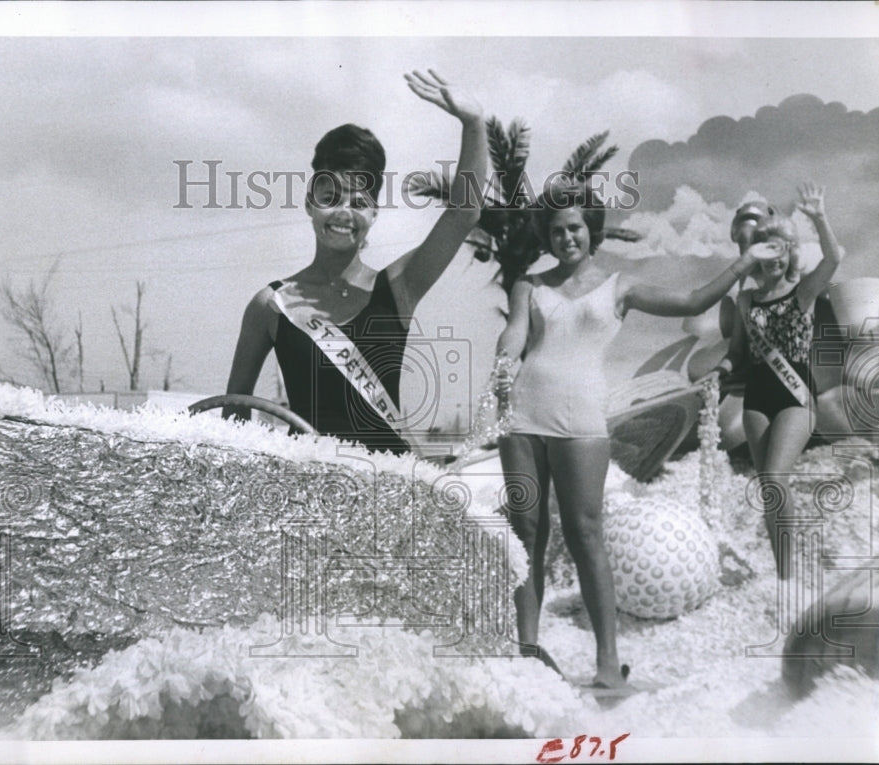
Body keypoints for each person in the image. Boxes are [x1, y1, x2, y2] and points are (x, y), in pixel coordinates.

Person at [494, 180, 760, 689]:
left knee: (585, 533)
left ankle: (606, 661)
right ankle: (525, 652)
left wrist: (743, 264)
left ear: (590, 232)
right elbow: (515, 334)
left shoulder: (618, 286)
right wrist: (504, 359)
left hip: (581, 422)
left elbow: (692, 299)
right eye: (555, 230)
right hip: (522, 416)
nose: (566, 237)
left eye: (574, 228)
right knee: (526, 535)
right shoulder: (528, 286)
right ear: (545, 237)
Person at [214, 70, 486, 454]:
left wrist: (473, 125)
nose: (344, 212)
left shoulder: (398, 288)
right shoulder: (270, 306)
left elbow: (464, 215)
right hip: (307, 493)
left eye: (359, 203)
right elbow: (236, 410)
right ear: (310, 203)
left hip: (387, 495)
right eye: (331, 197)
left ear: (375, 214)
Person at [711, 183, 842, 579]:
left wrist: (819, 217)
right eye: (765, 246)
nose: (773, 254)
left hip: (795, 399)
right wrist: (721, 370)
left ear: (789, 253)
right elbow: (736, 353)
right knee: (769, 489)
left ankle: (798, 570)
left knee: (775, 478)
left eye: (781, 247)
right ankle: (785, 574)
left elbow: (835, 257)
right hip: (757, 401)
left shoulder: (803, 292)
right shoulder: (746, 302)